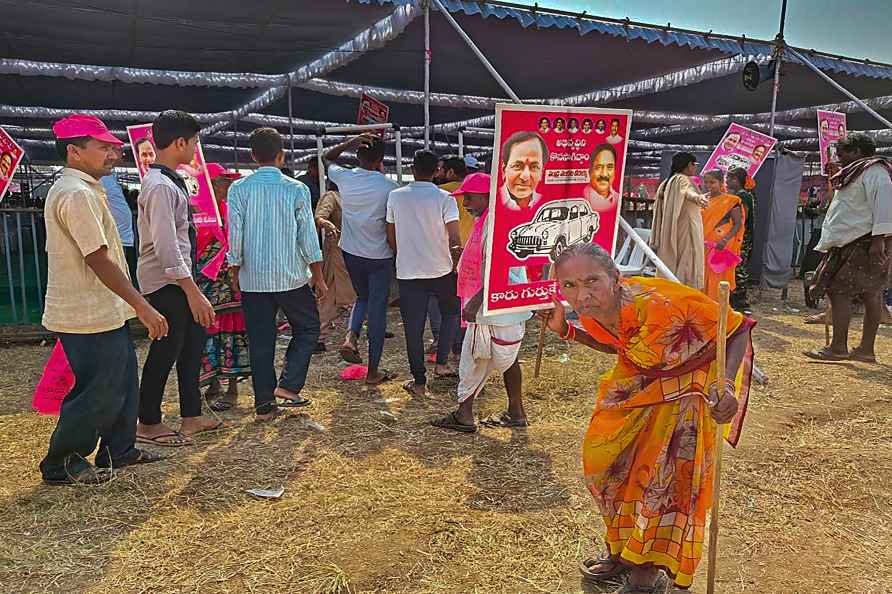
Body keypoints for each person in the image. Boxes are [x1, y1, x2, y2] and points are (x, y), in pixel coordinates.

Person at [542, 243, 754, 592]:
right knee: (608, 469)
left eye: (592, 281)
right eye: (570, 286)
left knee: (664, 483)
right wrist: (566, 331)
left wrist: (725, 384)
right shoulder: (592, 312)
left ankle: (647, 571)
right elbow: (622, 346)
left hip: (686, 394)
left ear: (615, 278)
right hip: (635, 391)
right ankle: (624, 551)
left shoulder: (659, 304)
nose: (582, 295)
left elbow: (736, 328)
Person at [41, 113, 168, 485]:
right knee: (98, 389)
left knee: (124, 381)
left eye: (113, 147)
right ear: (75, 152)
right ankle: (62, 462)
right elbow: (96, 257)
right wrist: (142, 304)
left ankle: (120, 450)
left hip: (100, 309)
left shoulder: (84, 188)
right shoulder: (76, 193)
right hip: (86, 312)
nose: (114, 153)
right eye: (103, 147)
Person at [227, 128, 326, 420]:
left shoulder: (239, 189)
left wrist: (235, 269)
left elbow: (236, 235)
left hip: (253, 278)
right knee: (307, 328)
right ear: (282, 156)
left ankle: (263, 406)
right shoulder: (296, 189)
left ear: (252, 156)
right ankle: (289, 385)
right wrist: (318, 275)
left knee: (261, 339)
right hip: (290, 276)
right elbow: (308, 237)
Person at [136, 110, 219, 447]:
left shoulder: (170, 181)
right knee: (166, 349)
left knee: (191, 345)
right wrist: (192, 290)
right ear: (180, 142)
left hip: (180, 278)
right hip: (166, 281)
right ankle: (148, 421)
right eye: (195, 141)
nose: (195, 148)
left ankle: (191, 415)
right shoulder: (157, 186)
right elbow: (166, 246)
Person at [431, 173, 532, 432]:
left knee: (474, 357)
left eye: (469, 197)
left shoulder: (496, 224)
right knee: (505, 358)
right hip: (503, 304)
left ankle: (465, 414)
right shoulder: (489, 221)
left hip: (491, 305)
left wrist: (475, 302)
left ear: (487, 196)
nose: (464, 204)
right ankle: (516, 412)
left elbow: (497, 269)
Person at [805, 133, 892, 363]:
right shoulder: (856, 172)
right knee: (869, 292)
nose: (839, 156)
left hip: (864, 242)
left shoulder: (876, 172)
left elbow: (884, 206)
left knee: (841, 290)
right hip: (851, 241)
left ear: (857, 152)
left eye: (843, 151)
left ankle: (839, 348)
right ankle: (864, 351)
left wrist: (878, 241)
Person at [386, 150, 463, 396]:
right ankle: (441, 362)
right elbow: (454, 236)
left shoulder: (396, 196)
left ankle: (419, 381)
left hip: (409, 272)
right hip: (441, 269)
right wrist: (455, 260)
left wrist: (404, 254)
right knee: (451, 312)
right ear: (436, 171)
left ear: (411, 169)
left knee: (413, 327)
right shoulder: (445, 198)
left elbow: (391, 233)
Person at [324, 134, 398, 385]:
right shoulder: (390, 188)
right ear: (381, 160)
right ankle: (373, 370)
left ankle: (351, 335)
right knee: (377, 309)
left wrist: (349, 141)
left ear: (357, 155)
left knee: (362, 297)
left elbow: (326, 157)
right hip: (379, 255)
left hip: (351, 251)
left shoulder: (345, 177)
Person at [196, 163, 251, 413]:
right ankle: (213, 383)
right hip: (206, 283)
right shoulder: (198, 212)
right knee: (208, 331)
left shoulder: (232, 209)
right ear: (210, 184)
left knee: (233, 331)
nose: (228, 186)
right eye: (223, 181)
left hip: (230, 283)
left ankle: (232, 388)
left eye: (230, 182)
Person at [429, 155, 472, 357]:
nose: (438, 174)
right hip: (469, 252)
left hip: (445, 253)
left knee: (438, 299)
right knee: (462, 300)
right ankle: (460, 343)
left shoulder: (441, 193)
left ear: (451, 172)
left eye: (442, 170)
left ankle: (440, 338)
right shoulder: (473, 191)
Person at [650, 152, 708, 289]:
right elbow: (686, 191)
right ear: (689, 165)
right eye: (694, 165)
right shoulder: (682, 179)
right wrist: (698, 198)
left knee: (675, 260)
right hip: (686, 228)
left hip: (675, 229)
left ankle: (672, 289)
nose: (695, 169)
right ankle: (684, 290)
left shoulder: (667, 182)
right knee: (687, 260)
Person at [315, 181, 357, 342]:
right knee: (329, 293)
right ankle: (320, 335)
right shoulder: (332, 197)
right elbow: (319, 217)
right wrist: (326, 223)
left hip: (355, 251)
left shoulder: (352, 198)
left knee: (359, 294)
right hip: (337, 254)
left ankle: (355, 334)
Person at [701, 170, 745, 302]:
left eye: (712, 182)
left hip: (720, 245)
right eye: (706, 182)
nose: (709, 185)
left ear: (721, 183)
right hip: (703, 244)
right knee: (702, 276)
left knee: (718, 277)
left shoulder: (732, 201)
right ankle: (704, 307)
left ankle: (718, 307)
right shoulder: (701, 199)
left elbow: (737, 224)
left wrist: (725, 240)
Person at [726, 167, 756, 310]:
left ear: (738, 180)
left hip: (742, 238)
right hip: (739, 236)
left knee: (739, 269)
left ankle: (741, 302)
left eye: (731, 178)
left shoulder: (743, 196)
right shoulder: (740, 194)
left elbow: (743, 218)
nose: (727, 181)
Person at [100, 169, 137, 281]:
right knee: (118, 275)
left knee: (124, 273)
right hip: (115, 236)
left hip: (122, 236)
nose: (121, 155)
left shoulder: (109, 176)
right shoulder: (100, 176)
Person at [499, 131, 547, 211]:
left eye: (534, 167)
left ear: (541, 173)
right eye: (517, 166)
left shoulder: (545, 202)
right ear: (504, 169)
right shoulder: (493, 200)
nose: (525, 177)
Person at [583, 143, 621, 212]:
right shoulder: (583, 199)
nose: (604, 174)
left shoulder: (618, 199)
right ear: (590, 171)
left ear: (615, 171)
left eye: (609, 167)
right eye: (598, 167)